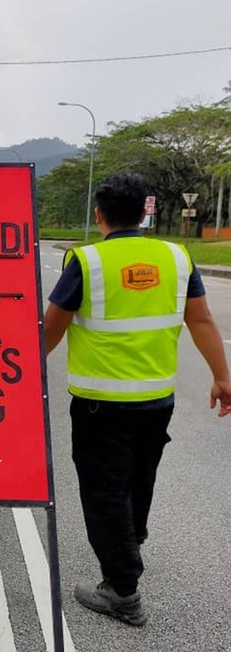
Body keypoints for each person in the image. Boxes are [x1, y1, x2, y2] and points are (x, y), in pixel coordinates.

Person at [43, 172, 231, 627]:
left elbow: (51, 327)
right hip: (156, 401)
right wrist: (223, 377)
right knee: (138, 479)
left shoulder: (87, 261)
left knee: (104, 491)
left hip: (100, 405)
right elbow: (201, 320)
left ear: (98, 214)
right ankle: (131, 540)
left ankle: (122, 590)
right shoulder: (176, 255)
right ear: (146, 212)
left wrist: (19, 374)